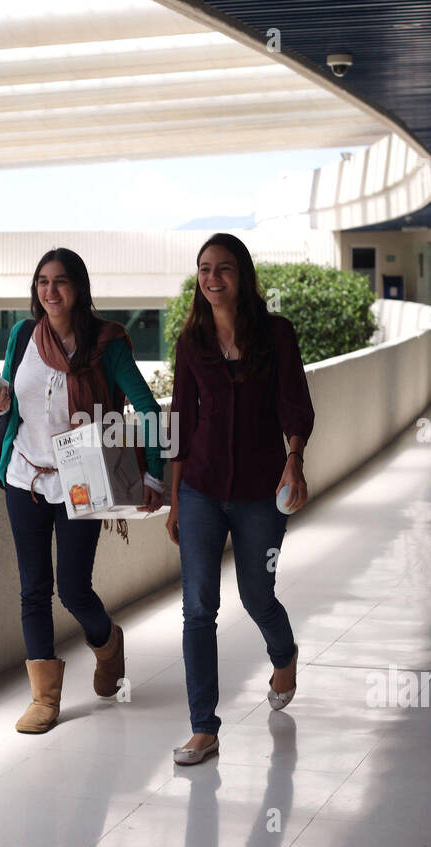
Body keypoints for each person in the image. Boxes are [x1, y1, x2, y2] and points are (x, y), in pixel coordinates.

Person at [0, 248, 166, 734]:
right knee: (32, 588)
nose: (50, 291)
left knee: (73, 587)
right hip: (24, 476)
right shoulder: (23, 335)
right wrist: (0, 400)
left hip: (81, 481)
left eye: (60, 281)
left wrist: (154, 475)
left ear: (79, 288)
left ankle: (108, 643)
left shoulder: (106, 344)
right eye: (42, 282)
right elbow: (13, 406)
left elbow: (148, 409)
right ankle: (44, 699)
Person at [166, 233, 315, 765]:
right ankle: (203, 727)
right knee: (198, 607)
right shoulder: (192, 341)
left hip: (260, 489)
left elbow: (294, 402)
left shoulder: (276, 334)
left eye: (222, 269)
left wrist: (294, 457)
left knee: (256, 594)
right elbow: (180, 419)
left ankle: (284, 653)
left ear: (242, 275)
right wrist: (176, 497)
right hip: (202, 488)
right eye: (204, 269)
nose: (212, 279)